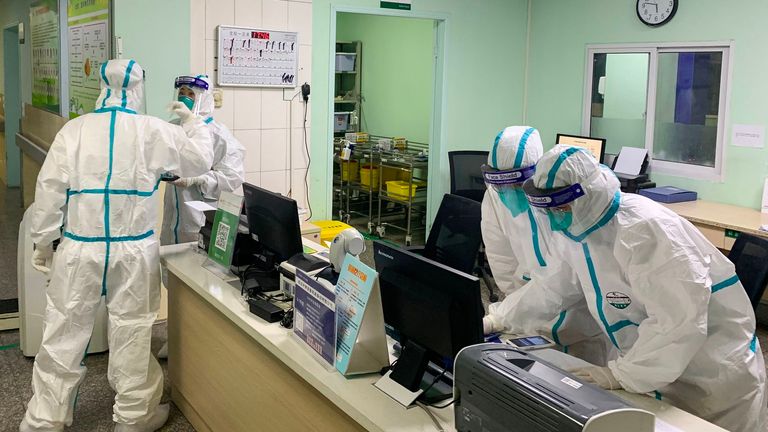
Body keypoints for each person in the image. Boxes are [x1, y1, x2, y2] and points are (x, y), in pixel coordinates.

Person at [501, 144, 766, 432]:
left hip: (710, 379)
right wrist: (500, 317)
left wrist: (620, 375)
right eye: (548, 209)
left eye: (560, 207)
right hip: (655, 371)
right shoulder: (579, 232)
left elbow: (678, 324)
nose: (555, 218)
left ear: (586, 196)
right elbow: (553, 287)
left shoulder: (648, 231)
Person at [21, 59, 214, 432]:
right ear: (139, 89)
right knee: (133, 330)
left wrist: (43, 241)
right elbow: (200, 159)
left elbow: (48, 191)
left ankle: (45, 419)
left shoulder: (74, 131)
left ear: (100, 87)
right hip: (133, 250)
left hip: (80, 247)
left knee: (63, 330)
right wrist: (193, 121)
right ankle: (133, 417)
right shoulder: (152, 130)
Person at [480, 127, 611, 366]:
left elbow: (563, 279)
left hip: (579, 321)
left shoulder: (561, 202)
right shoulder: (494, 198)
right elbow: (502, 260)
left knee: (584, 388)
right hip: (526, 317)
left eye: (517, 184)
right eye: (501, 185)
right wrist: (514, 311)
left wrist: (501, 316)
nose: (508, 193)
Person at [160, 74, 245, 246]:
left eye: (190, 94)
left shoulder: (218, 134)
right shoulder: (174, 127)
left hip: (201, 216)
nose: (184, 98)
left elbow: (233, 176)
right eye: (181, 92)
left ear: (203, 98)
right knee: (171, 264)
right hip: (174, 215)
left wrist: (197, 179)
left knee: (194, 265)